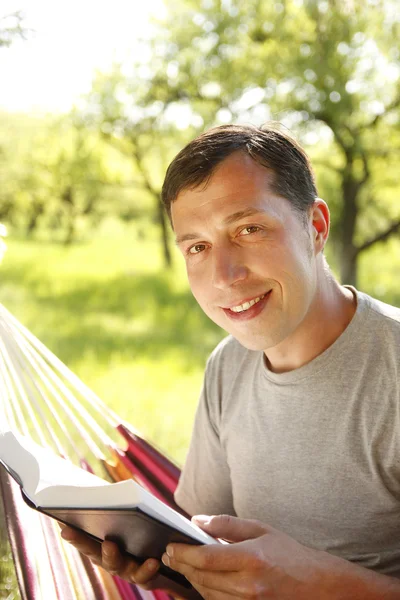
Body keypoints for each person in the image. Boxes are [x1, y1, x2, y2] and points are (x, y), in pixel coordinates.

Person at [61, 124, 400, 599]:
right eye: (198, 246)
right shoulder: (228, 365)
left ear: (316, 227)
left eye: (249, 229)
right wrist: (164, 566)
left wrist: (314, 584)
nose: (225, 276)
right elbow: (213, 555)